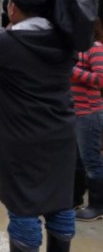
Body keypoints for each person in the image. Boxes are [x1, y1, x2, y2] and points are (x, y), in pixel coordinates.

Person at [0, 0, 76, 252]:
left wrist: (9, 29)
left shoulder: (8, 40)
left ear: (13, 8)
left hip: (20, 138)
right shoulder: (65, 38)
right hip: (61, 134)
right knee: (61, 200)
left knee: (23, 205)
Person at [70, 17, 103, 222]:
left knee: (91, 161)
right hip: (75, 114)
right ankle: (74, 200)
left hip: (89, 114)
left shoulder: (96, 49)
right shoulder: (76, 51)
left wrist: (71, 70)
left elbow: (100, 79)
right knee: (76, 161)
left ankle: (98, 206)